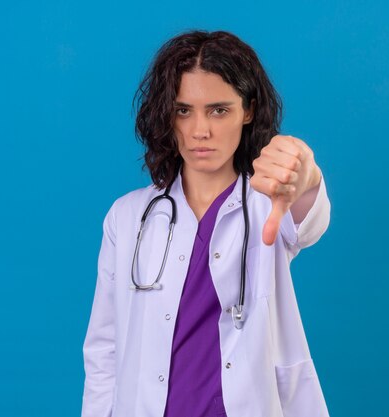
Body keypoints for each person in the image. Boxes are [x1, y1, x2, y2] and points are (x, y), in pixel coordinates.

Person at [81, 30, 331, 417]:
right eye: (184, 110)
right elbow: (104, 348)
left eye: (219, 110)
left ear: (247, 110)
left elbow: (308, 218)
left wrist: (306, 175)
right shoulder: (128, 216)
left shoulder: (268, 206)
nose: (201, 130)